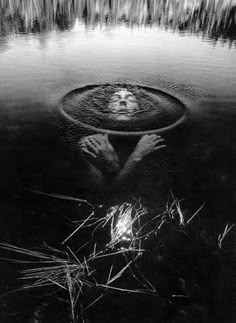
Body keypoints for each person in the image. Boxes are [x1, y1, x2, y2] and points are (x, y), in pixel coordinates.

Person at [78, 88, 166, 192]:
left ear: (138, 110)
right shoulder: (92, 144)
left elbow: (152, 191)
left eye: (131, 100)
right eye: (115, 100)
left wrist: (112, 165)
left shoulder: (152, 142)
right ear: (107, 110)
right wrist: (137, 156)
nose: (123, 102)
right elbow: (103, 197)